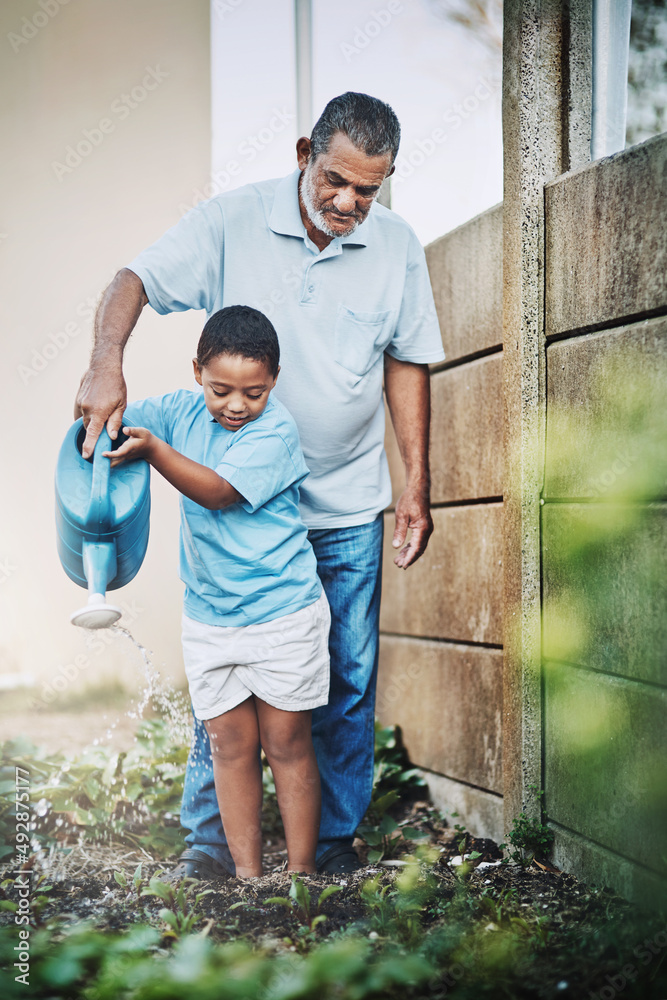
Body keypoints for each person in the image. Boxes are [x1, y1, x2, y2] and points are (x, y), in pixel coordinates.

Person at [75, 91, 446, 878]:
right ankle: (212, 847)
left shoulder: (397, 247)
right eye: (335, 181)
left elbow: (405, 360)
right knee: (230, 684)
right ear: (304, 150)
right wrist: (106, 361)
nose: (348, 202)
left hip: (344, 503)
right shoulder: (230, 222)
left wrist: (414, 483)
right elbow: (132, 278)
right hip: (241, 524)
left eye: (368, 190)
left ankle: (334, 840)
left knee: (345, 676)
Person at [106, 305, 330, 877]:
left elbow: (219, 491)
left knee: (286, 744)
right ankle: (249, 881)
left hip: (282, 613)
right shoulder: (180, 413)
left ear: (273, 381)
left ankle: (302, 878)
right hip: (210, 617)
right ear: (196, 373)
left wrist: (154, 450)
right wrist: (98, 407)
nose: (236, 405)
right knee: (229, 748)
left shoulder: (275, 430)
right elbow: (113, 418)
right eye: (220, 389)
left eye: (253, 392)